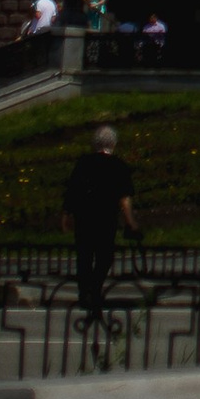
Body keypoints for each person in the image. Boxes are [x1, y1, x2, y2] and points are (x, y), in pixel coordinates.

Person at [60, 122, 138, 316]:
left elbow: (72, 190)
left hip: (84, 218)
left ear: (94, 143)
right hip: (106, 219)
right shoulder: (118, 166)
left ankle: (84, 292)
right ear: (113, 143)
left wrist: (66, 215)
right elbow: (124, 198)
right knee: (105, 257)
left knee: (84, 257)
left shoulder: (83, 163)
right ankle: (95, 289)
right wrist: (130, 221)